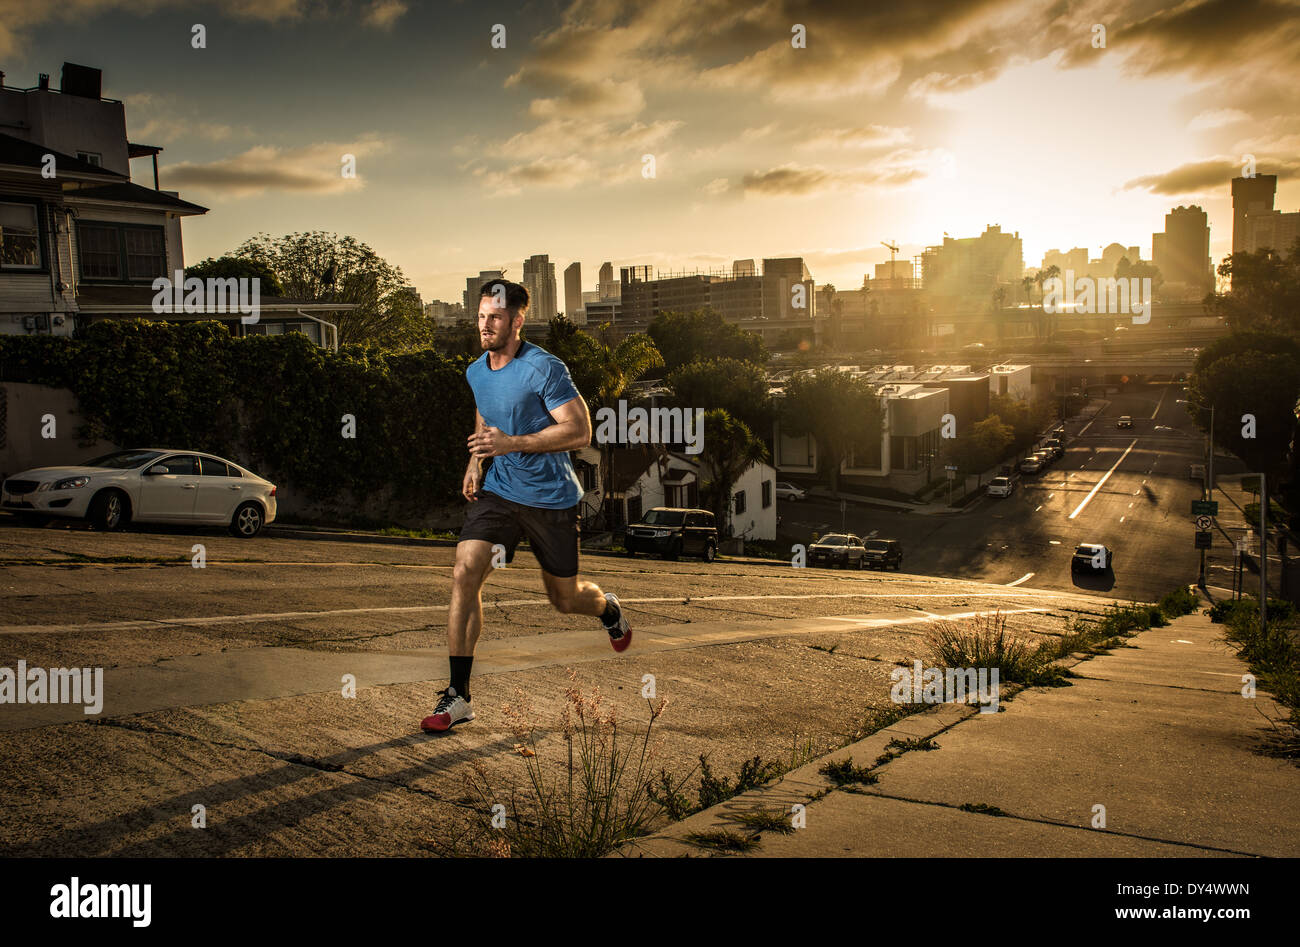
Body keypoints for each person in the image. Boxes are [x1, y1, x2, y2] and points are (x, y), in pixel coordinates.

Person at [421, 279, 631, 732]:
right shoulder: (476, 371)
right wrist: (476, 461)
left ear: (517, 321)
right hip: (499, 491)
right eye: (480, 316)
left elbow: (579, 431)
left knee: (565, 598)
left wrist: (513, 442)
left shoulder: (544, 369)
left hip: (550, 500)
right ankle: (458, 696)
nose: (485, 325)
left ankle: (608, 609)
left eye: (494, 317)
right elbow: (485, 415)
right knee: (465, 569)